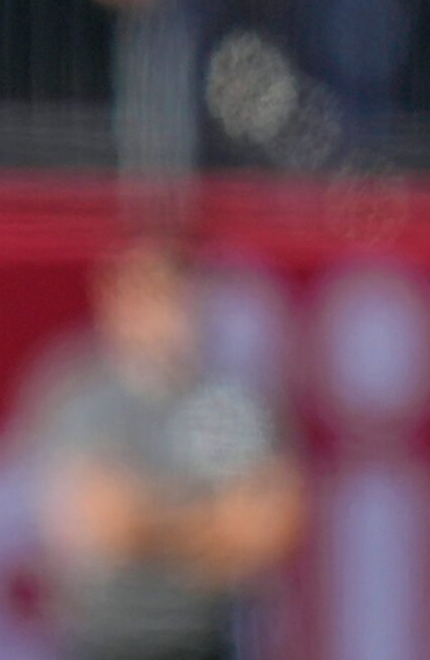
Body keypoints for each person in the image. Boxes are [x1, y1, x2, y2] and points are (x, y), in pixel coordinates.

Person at [23, 239, 304, 660]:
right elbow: (100, 524)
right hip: (104, 641)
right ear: (114, 296)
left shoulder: (236, 399)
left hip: (209, 640)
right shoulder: (79, 394)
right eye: (151, 291)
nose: (169, 309)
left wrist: (146, 521)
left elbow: (270, 528)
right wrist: (210, 526)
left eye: (180, 289)